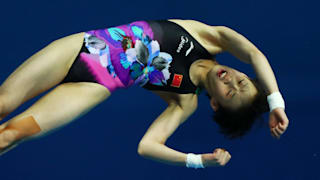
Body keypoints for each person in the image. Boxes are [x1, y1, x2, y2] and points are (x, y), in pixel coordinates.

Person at [0, 19, 289, 168]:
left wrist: (199, 161)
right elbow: (254, 53)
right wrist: (276, 102)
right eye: (242, 81)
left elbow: (147, 146)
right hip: (77, 49)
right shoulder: (208, 37)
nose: (233, 82)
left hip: (92, 87)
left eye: (231, 93)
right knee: (3, 103)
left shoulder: (185, 101)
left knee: (10, 135)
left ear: (214, 103)